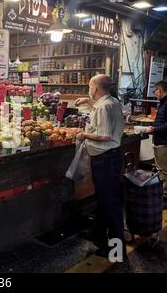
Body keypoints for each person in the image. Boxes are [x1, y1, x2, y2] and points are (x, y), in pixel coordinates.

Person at [75, 74, 126, 260]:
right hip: (109, 159)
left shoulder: (105, 107)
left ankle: (116, 250)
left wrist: (84, 135)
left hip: (106, 160)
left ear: (95, 88)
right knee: (105, 201)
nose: (89, 89)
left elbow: (104, 136)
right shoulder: (111, 102)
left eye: (90, 86)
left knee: (110, 204)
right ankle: (98, 236)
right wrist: (88, 102)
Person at [148, 81, 167, 197]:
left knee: (164, 170)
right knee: (160, 169)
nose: (155, 93)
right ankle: (162, 193)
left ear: (159, 90)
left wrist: (155, 129)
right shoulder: (163, 103)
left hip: (164, 141)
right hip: (159, 140)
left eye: (155, 90)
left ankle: (165, 196)